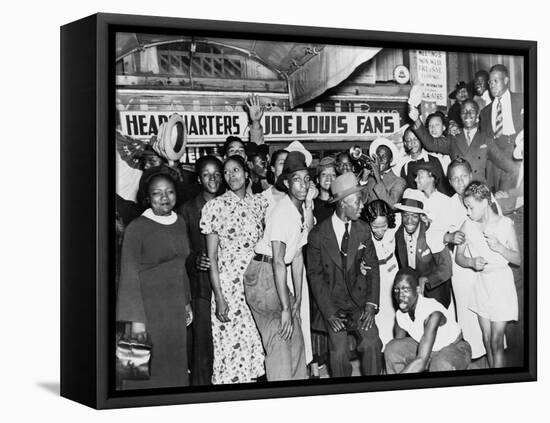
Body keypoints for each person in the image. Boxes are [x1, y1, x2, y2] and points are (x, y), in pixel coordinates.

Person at [117, 171, 193, 389]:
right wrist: (134, 327)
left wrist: (186, 301)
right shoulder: (136, 229)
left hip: (174, 312)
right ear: (147, 198)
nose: (165, 197)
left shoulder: (179, 222)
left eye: (169, 191)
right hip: (145, 311)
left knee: (173, 370)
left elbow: (181, 266)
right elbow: (128, 281)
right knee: (141, 375)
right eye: (157, 193)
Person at [243, 151, 312, 381]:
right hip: (264, 274)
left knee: (296, 341)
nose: (303, 184)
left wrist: (298, 299)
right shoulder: (283, 211)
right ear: (286, 183)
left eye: (306, 178)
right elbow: (279, 261)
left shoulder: (300, 210)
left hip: (276, 274)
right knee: (280, 342)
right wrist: (285, 308)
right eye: (296, 179)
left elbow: (298, 255)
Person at [307, 172, 383, 377]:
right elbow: (315, 277)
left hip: (359, 304)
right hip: (333, 305)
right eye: (357, 202)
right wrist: (329, 313)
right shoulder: (317, 235)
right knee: (338, 352)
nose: (362, 207)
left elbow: (373, 268)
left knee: (372, 342)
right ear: (342, 204)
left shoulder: (363, 230)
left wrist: (370, 305)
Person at [200, 155, 266, 384]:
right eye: (226, 172)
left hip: (256, 286)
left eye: (236, 170)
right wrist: (219, 296)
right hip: (229, 288)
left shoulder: (259, 203)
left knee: (253, 349)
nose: (231, 176)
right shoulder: (215, 207)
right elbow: (213, 256)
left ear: (247, 173)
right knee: (230, 353)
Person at [455, 181, 520, 368]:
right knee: (487, 338)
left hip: (501, 285)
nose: (467, 211)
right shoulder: (467, 225)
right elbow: (459, 257)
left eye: (470, 207)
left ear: (484, 203)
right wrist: (471, 262)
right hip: (481, 285)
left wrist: (500, 247)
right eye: (466, 207)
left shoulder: (505, 224)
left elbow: (517, 259)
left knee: (497, 342)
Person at [178, 155, 223, 385]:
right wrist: (195, 260)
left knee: (226, 346)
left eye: (216, 173)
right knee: (203, 347)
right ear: (198, 178)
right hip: (202, 288)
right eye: (206, 174)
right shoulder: (187, 210)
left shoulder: (229, 203)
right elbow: (181, 251)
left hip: (228, 288)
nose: (212, 178)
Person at [409, 99, 516, 185]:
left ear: (477, 115)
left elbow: (505, 163)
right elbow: (430, 144)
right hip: (459, 191)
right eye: (464, 112)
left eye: (472, 111)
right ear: (460, 115)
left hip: (479, 193)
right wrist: (416, 120)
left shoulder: (486, 139)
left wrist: (507, 191)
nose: (468, 114)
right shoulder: (453, 137)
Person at [385, 268, 471, 373]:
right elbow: (398, 346)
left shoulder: (432, 313)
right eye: (396, 290)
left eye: (405, 290)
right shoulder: (400, 315)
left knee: (439, 364)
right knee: (392, 348)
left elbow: (420, 361)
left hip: (455, 349)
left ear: (417, 290)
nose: (400, 296)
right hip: (428, 350)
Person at [445, 158, 486, 361]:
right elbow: (437, 235)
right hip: (461, 267)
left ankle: (493, 357)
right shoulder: (448, 204)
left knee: (488, 311)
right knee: (467, 313)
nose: (460, 182)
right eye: (455, 179)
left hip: (485, 264)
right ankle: (474, 358)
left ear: (471, 175)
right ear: (450, 182)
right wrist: (449, 237)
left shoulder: (484, 196)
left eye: (464, 176)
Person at [394, 189, 453, 308]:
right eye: (405, 215)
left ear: (421, 216)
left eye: (414, 216)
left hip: (435, 294)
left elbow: (446, 268)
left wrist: (426, 279)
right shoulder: (399, 234)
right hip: (413, 296)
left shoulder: (433, 233)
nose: (409, 221)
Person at [479, 64, 524, 192]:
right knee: (497, 202)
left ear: (506, 80)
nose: (491, 85)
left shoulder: (522, 100)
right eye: (490, 82)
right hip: (495, 160)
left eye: (495, 81)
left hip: (518, 155)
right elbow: (486, 141)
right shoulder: (485, 112)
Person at [363, 199, 400, 349]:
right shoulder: (363, 235)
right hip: (376, 276)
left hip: (393, 271)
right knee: (381, 317)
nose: (380, 231)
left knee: (396, 314)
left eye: (383, 226)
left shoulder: (395, 225)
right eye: (375, 227)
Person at [394, 127, 450, 195]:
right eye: (409, 140)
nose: (413, 143)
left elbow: (443, 188)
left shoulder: (434, 160)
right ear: (405, 143)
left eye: (415, 139)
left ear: (421, 140)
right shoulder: (405, 167)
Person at [363, 138, 406, 208]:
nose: (380, 159)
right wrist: (364, 179)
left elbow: (392, 206)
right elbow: (362, 202)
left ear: (391, 159)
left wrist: (378, 177)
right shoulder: (370, 179)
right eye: (378, 156)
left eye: (384, 156)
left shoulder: (399, 181)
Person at [313, 156, 337, 223]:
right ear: (317, 179)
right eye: (324, 174)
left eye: (333, 175)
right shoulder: (311, 204)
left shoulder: (340, 203)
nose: (329, 177)